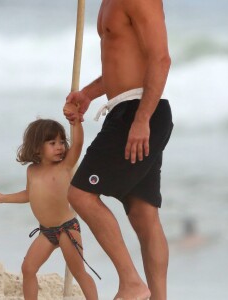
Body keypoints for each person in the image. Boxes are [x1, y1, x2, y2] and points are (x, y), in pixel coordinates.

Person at [64, 0, 173, 299]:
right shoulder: (106, 3)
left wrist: (142, 119)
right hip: (127, 110)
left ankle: (131, 283)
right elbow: (122, 61)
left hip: (140, 112)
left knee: (80, 194)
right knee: (143, 214)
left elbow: (161, 59)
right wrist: (88, 94)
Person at [0, 103, 99, 300]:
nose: (59, 147)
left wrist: (76, 123)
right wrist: (4, 198)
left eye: (61, 142)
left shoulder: (65, 165)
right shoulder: (32, 170)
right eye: (52, 143)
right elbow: (28, 195)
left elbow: (79, 145)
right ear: (37, 148)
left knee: (79, 272)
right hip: (46, 231)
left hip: (67, 229)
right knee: (28, 268)